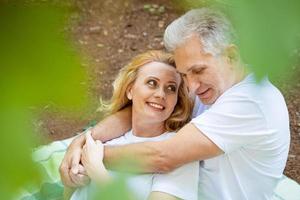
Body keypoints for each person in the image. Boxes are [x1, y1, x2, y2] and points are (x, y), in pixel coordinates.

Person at [60, 8, 290, 199]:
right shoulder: (212, 84)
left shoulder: (253, 101)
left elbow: (163, 157)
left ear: (230, 56)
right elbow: (144, 106)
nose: (191, 87)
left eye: (198, 71)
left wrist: (92, 156)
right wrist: (82, 140)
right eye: (185, 75)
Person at [67, 50, 199, 200]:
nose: (161, 94)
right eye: (152, 83)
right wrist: (73, 180)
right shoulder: (102, 138)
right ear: (130, 90)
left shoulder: (180, 151)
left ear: (176, 100)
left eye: (171, 88)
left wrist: (98, 173)